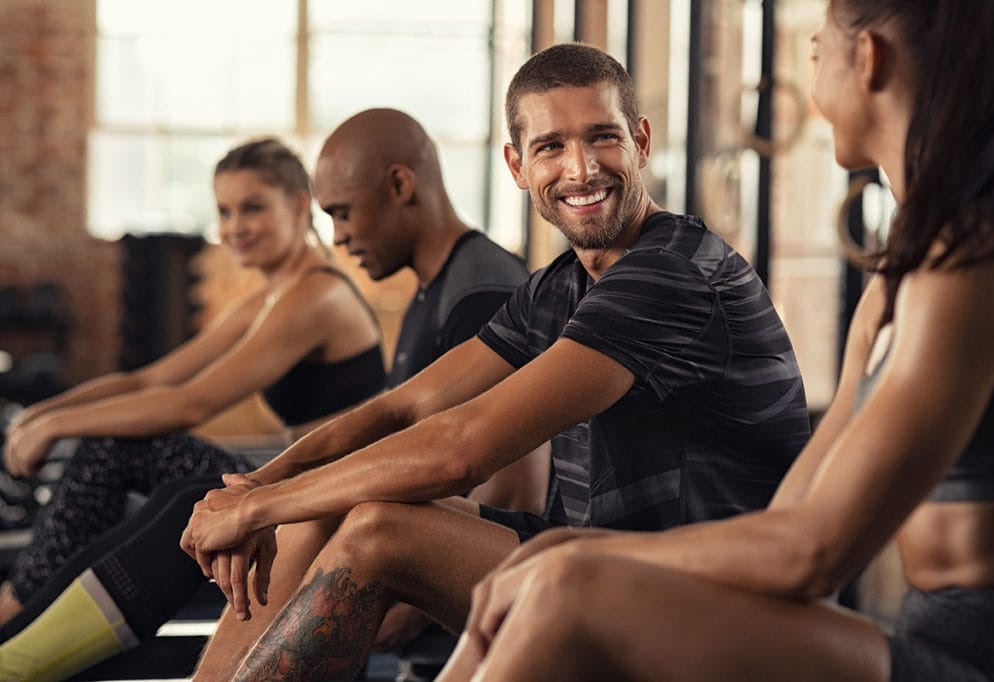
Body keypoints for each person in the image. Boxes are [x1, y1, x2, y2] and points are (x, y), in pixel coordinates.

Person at [181, 43, 810, 681]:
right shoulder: (559, 286)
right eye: (550, 148)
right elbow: (403, 407)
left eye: (602, 138)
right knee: (331, 506)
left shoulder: (670, 273)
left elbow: (462, 450)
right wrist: (258, 489)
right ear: (516, 165)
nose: (582, 169)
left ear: (641, 141)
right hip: (601, 565)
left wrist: (261, 509)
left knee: (377, 530)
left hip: (707, 606)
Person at [439, 3, 994, 681]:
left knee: (567, 588)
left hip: (978, 662)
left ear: (868, 59)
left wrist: (577, 557)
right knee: (554, 584)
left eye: (815, 50)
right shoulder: (902, 274)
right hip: (917, 635)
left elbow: (814, 553)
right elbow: (793, 516)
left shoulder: (972, 268)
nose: (810, 76)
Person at [0, 112, 548, 682]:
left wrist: (407, 599)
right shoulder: (433, 288)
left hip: (416, 525)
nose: (337, 235)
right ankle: (19, 642)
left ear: (398, 186)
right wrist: (257, 491)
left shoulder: (472, 290)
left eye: (340, 213)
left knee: (202, 490)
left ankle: (14, 654)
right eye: (226, 211)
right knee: (203, 493)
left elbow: (507, 483)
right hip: (352, 490)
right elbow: (392, 410)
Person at [0, 138, 389, 681]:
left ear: (299, 206)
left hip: (319, 499)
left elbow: (193, 403)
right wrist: (40, 415)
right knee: (116, 449)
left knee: (125, 451)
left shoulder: (317, 296)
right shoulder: (271, 294)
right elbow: (151, 377)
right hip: (287, 479)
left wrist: (54, 427)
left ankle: (13, 625)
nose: (234, 227)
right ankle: (18, 612)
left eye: (253, 207)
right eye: (225, 211)